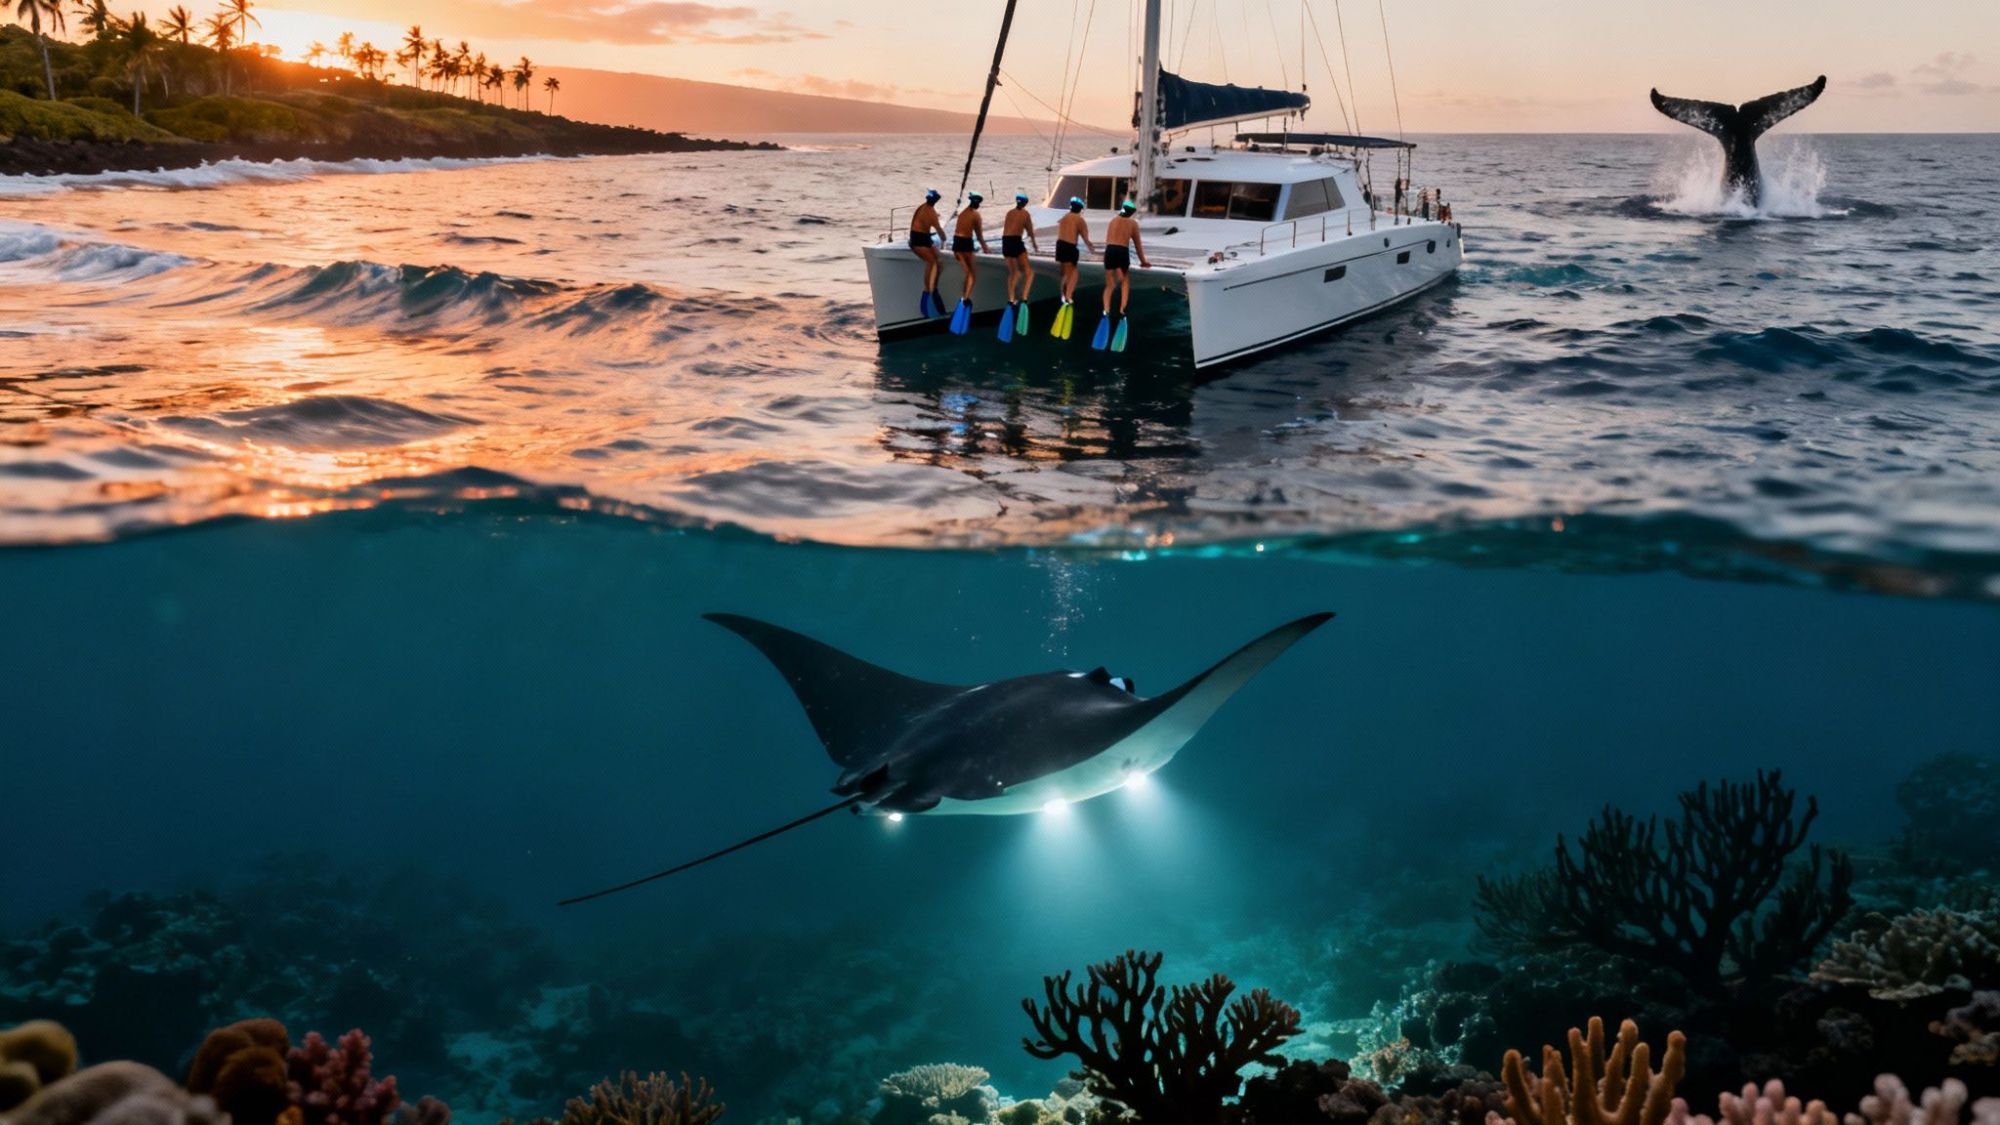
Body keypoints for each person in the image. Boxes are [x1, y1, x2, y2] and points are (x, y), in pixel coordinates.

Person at [1100, 199, 1150, 321]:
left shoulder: (1112, 221)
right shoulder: (1132, 223)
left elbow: (1108, 241)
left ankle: (1106, 311)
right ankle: (1122, 310)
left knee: (1110, 284)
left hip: (1110, 251)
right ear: (1132, 212)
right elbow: (1138, 246)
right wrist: (1143, 261)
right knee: (1124, 281)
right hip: (1122, 251)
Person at [1000, 192, 1040, 311]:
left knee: (1014, 273)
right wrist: (1034, 244)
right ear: (1025, 203)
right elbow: (1030, 232)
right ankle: (1024, 298)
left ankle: (1011, 299)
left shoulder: (1009, 213)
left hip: (1005, 242)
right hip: (1015, 241)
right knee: (1029, 272)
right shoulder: (1025, 214)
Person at [909, 189, 947, 314]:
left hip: (925, 238)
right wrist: (944, 239)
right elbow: (940, 231)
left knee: (939, 262)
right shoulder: (930, 212)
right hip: (917, 240)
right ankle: (927, 290)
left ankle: (934, 287)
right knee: (932, 263)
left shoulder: (925, 208)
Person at [1054, 196, 1093, 311]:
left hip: (1059, 245)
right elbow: (1086, 239)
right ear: (1080, 209)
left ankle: (1063, 296)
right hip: (1070, 247)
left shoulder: (1064, 218)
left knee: (1065, 274)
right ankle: (1068, 298)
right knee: (1074, 274)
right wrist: (1092, 249)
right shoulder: (1079, 220)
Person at [951, 191, 989, 303]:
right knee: (972, 275)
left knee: (967, 273)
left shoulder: (962, 212)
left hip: (956, 243)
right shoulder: (976, 215)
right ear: (977, 203)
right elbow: (979, 236)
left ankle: (963, 296)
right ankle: (966, 299)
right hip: (965, 243)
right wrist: (985, 248)